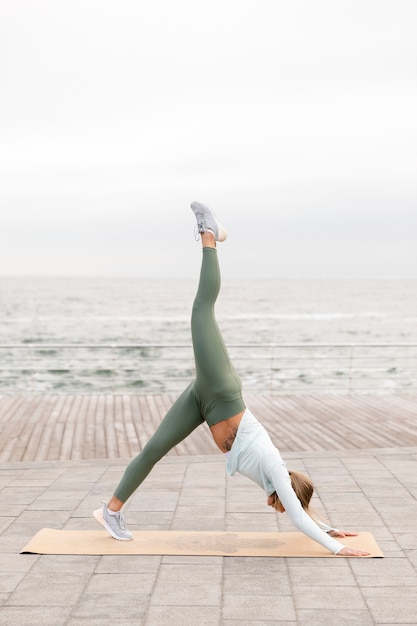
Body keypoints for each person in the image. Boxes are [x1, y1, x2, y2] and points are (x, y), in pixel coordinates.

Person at [93, 201, 369, 557]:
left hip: (204, 402)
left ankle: (110, 512)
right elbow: (298, 516)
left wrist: (330, 528)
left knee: (154, 449)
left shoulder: (275, 481)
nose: (280, 511)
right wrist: (336, 549)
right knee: (201, 308)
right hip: (222, 391)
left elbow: (302, 512)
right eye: (286, 505)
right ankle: (209, 234)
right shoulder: (275, 468)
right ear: (289, 496)